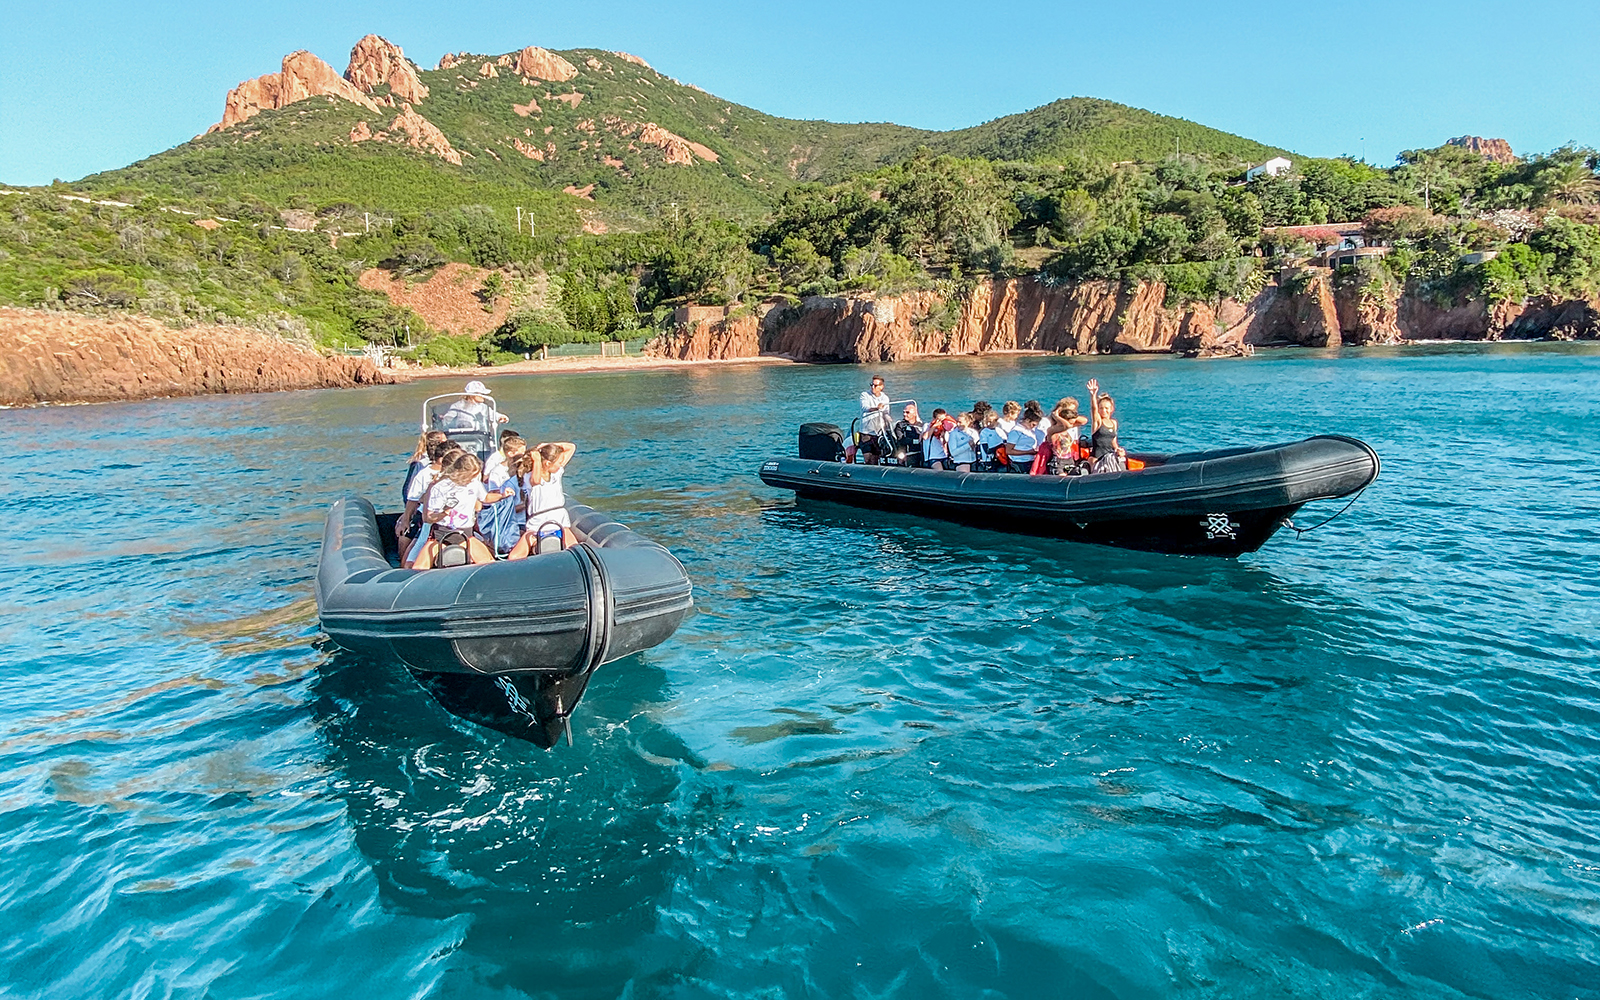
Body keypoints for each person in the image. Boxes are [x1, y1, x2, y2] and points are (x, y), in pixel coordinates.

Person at [413, 453, 512, 569]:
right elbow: (430, 517)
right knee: (418, 568)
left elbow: (485, 498)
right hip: (442, 534)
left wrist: (502, 495)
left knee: (489, 564)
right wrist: (443, 513)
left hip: (466, 534)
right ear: (462, 472)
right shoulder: (440, 487)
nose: (473, 478)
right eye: (472, 475)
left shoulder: (474, 484)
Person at [507, 441, 580, 556]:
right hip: (537, 523)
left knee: (576, 549)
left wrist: (546, 445)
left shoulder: (556, 473)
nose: (561, 465)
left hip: (559, 520)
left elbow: (571, 447)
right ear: (547, 463)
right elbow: (536, 481)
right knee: (514, 557)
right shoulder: (530, 476)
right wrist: (536, 460)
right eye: (558, 462)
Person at [397, 434, 457, 559]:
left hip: (452, 518)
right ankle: (405, 564)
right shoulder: (424, 474)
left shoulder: (456, 474)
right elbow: (412, 499)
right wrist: (406, 520)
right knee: (409, 539)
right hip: (427, 516)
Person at [479, 432, 528, 555]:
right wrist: (524, 505)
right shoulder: (498, 473)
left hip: (527, 519)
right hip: (512, 523)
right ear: (511, 454)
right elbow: (499, 506)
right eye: (522, 453)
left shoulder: (526, 472)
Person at [1087, 378, 1127, 473]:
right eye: (1101, 408)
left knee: (1120, 462)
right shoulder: (1098, 422)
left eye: (1106, 408)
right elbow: (1093, 410)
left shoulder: (1114, 423)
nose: (1104, 411)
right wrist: (1093, 395)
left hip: (1110, 456)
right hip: (1097, 458)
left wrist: (1119, 450)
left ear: (1112, 409)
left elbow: (1114, 443)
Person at [442, 380, 509, 430]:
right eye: (481, 394)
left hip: (479, 436)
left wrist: (500, 417)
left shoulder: (482, 407)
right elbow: (448, 419)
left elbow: (492, 414)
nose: (483, 396)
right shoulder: (457, 406)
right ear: (472, 395)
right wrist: (445, 417)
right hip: (460, 435)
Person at [1047, 398, 1089, 474]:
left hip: (1069, 459)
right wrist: (1058, 416)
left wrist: (1071, 415)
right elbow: (1067, 426)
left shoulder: (1068, 427)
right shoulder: (1052, 430)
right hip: (1059, 461)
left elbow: (1084, 421)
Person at [857, 376, 891, 464]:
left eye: (875, 385)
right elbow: (865, 407)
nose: (873, 387)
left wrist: (890, 420)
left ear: (881, 387)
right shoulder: (864, 395)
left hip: (878, 432)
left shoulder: (885, 398)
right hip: (866, 432)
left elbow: (886, 412)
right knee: (868, 458)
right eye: (872, 385)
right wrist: (876, 408)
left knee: (876, 457)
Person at [1005, 402, 1046, 472]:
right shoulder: (1016, 431)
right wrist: (1028, 452)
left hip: (1031, 460)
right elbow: (1009, 451)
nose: (1034, 427)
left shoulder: (1030, 431)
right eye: (1033, 424)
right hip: (1019, 462)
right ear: (1027, 420)